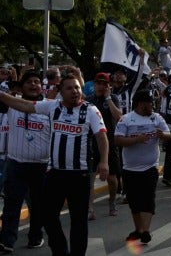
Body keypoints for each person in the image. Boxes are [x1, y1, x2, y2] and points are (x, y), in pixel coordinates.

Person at [0, 74, 109, 256]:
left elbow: (101, 136)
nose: (75, 91)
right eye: (69, 88)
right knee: (47, 216)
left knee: (78, 221)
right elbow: (25, 105)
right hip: (55, 174)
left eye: (77, 88)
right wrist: (2, 95)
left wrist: (104, 161)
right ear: (60, 92)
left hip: (79, 175)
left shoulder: (90, 110)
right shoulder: (51, 107)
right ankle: (60, 251)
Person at [0, 72, 49, 252]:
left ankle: (36, 237)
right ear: (21, 87)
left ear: (41, 87)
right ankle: (7, 241)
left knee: (38, 205)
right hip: (16, 164)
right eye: (29, 82)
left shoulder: (49, 107)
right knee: (12, 205)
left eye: (37, 82)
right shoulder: (12, 104)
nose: (34, 85)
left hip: (41, 166)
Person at [115, 90, 171, 243]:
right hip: (130, 168)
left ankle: (145, 231)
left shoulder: (156, 118)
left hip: (150, 167)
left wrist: (163, 135)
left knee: (148, 198)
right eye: (148, 103)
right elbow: (118, 140)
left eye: (152, 103)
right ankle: (138, 229)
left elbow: (168, 134)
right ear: (140, 104)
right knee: (134, 201)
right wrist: (136, 140)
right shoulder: (126, 119)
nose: (151, 106)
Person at [85, 72, 123, 219]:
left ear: (109, 86)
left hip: (110, 142)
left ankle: (112, 202)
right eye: (98, 83)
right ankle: (89, 208)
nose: (101, 86)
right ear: (94, 85)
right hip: (91, 143)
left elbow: (119, 117)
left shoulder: (113, 99)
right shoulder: (88, 100)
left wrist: (108, 98)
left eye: (104, 84)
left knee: (112, 179)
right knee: (90, 178)